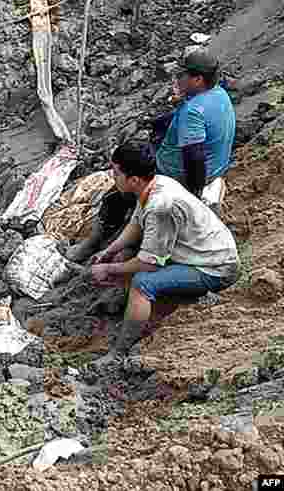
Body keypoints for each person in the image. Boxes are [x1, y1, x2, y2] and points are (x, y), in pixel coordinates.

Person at [66, 50, 236, 262]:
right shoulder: (218, 95)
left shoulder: (193, 111)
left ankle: (95, 240)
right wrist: (162, 120)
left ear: (198, 79)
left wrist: (193, 193)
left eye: (182, 75)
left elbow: (195, 157)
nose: (177, 78)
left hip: (178, 174)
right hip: (214, 167)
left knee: (118, 191)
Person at [88, 141, 239, 369]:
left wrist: (108, 269)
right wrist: (109, 252)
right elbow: (135, 225)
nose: (113, 177)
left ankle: (118, 352)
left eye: (116, 172)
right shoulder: (156, 183)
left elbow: (149, 264)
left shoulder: (161, 206)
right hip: (197, 251)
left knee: (142, 283)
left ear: (134, 180)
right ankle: (134, 309)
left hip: (214, 267)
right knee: (124, 256)